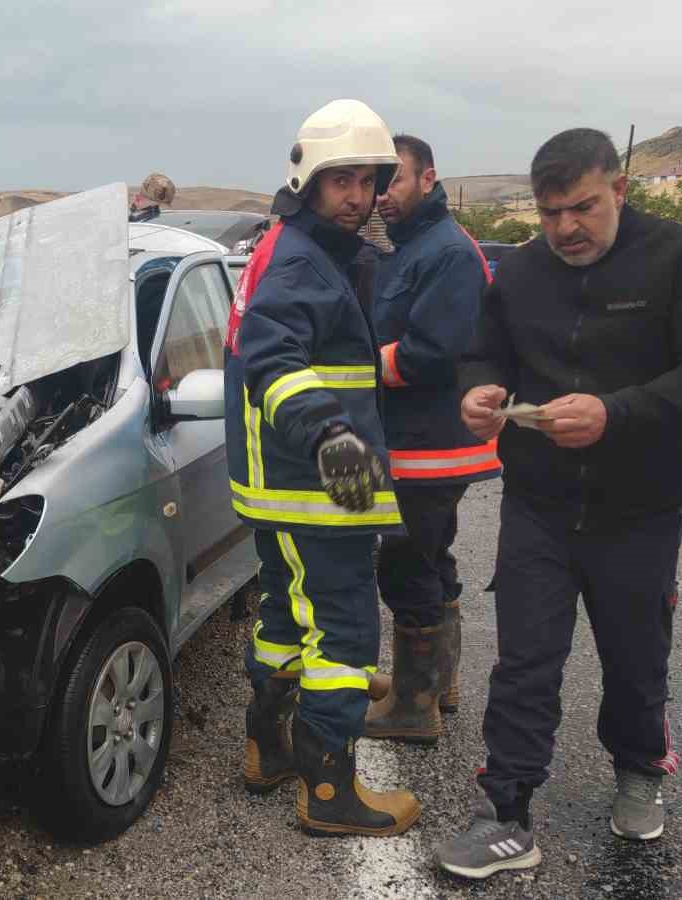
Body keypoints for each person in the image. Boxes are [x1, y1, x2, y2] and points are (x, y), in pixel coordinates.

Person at [435, 128, 682, 879]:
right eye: (549, 213)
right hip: (537, 502)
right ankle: (506, 813)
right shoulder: (523, 272)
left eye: (583, 207)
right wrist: (477, 390)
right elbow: (486, 352)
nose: (565, 228)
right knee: (525, 660)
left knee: (636, 656)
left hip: (642, 505)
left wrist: (617, 412)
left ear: (621, 190)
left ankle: (639, 770)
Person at [225, 98, 419, 838]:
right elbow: (273, 363)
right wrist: (333, 436)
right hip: (316, 484)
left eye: (368, 181)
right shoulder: (302, 259)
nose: (357, 197)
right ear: (308, 179)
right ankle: (330, 791)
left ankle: (266, 748)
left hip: (286, 486)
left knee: (284, 619)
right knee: (340, 636)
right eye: (341, 180)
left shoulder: (295, 248)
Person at [360, 135, 500, 746]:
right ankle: (437, 682)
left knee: (405, 565)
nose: (380, 196)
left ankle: (413, 708)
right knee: (431, 558)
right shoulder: (417, 244)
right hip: (425, 444)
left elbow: (432, 352)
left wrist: (360, 368)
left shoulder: (445, 253)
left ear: (428, 179)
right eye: (375, 183)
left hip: (427, 446)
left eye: (392, 181)